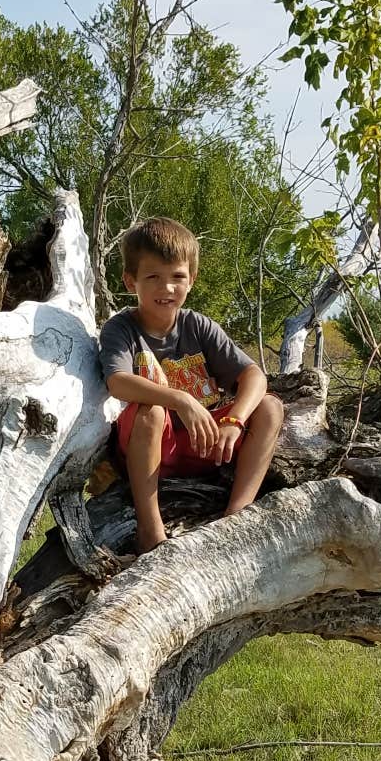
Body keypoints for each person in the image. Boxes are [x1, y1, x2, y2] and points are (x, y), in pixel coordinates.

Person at [98, 216, 284, 554]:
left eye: (177, 277)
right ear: (130, 281)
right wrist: (181, 399)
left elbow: (254, 376)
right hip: (155, 448)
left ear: (192, 280)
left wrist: (234, 419)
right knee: (151, 411)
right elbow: (118, 382)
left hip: (209, 442)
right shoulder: (121, 329)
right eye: (152, 277)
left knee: (270, 407)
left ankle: (237, 515)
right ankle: (150, 531)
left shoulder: (198, 326)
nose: (166, 288)